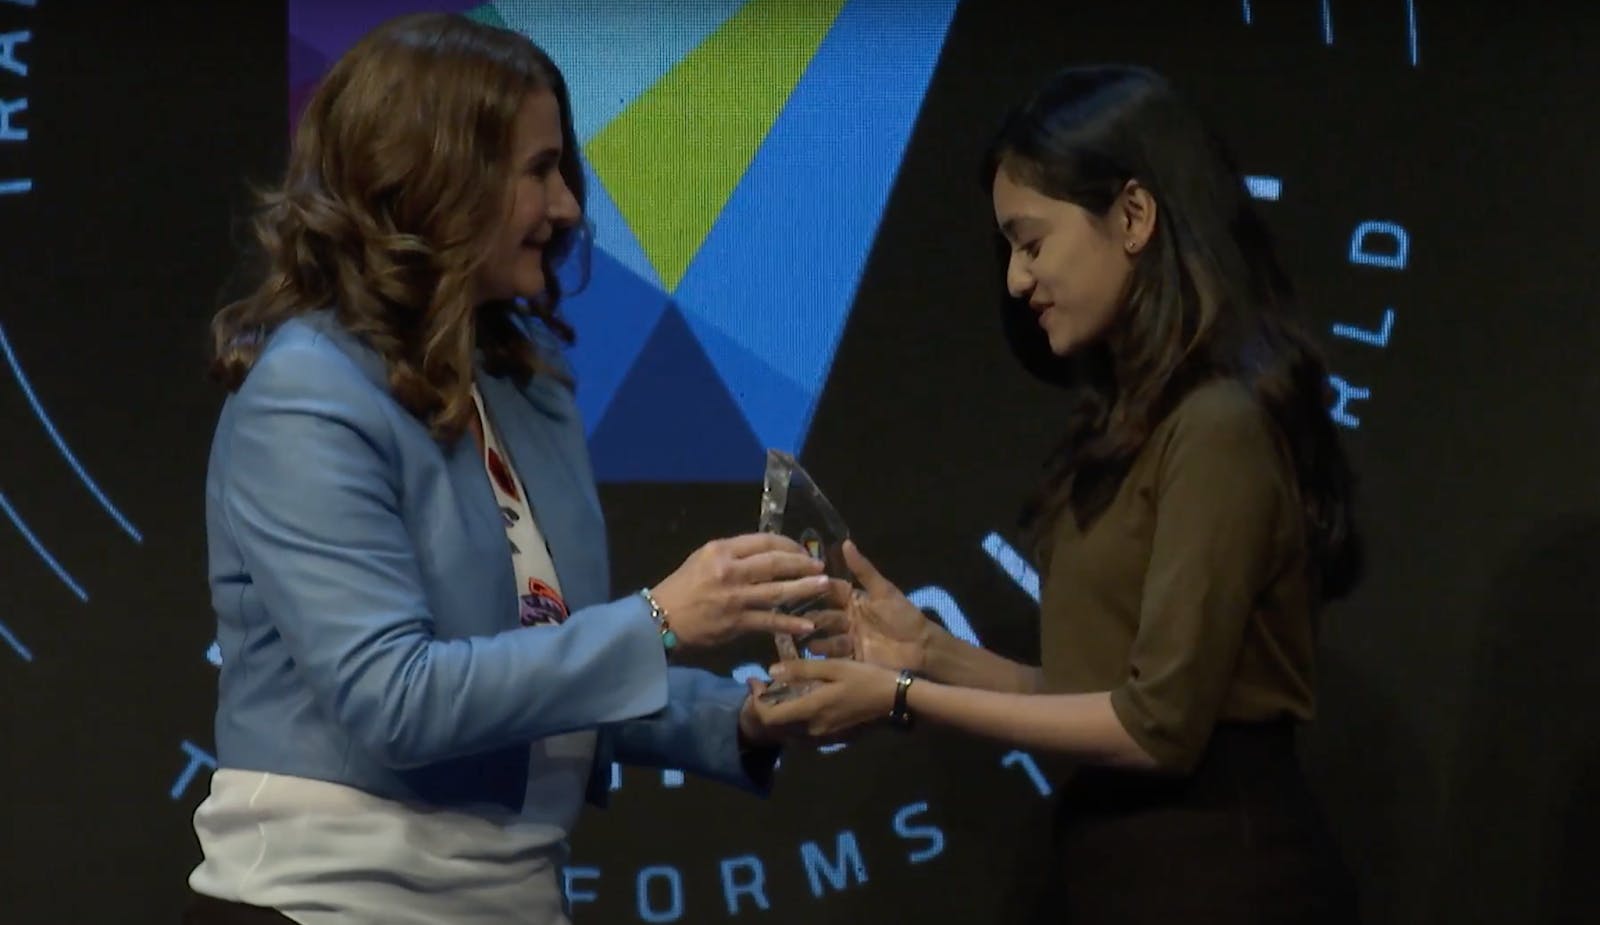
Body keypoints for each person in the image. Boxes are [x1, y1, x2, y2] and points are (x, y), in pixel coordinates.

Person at [182, 13, 833, 925]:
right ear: (435, 179)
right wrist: (659, 621)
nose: (568, 205)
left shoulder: (527, 392)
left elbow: (536, 679)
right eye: (538, 171)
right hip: (323, 903)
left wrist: (742, 718)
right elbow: (396, 698)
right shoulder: (307, 393)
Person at [756, 66, 1364, 923]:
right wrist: (927, 654)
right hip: (1128, 871)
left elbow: (1156, 728)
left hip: (1221, 881)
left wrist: (900, 697)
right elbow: (1100, 697)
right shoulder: (1142, 424)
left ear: (1134, 216)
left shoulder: (1219, 425)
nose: (1014, 279)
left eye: (1031, 241)